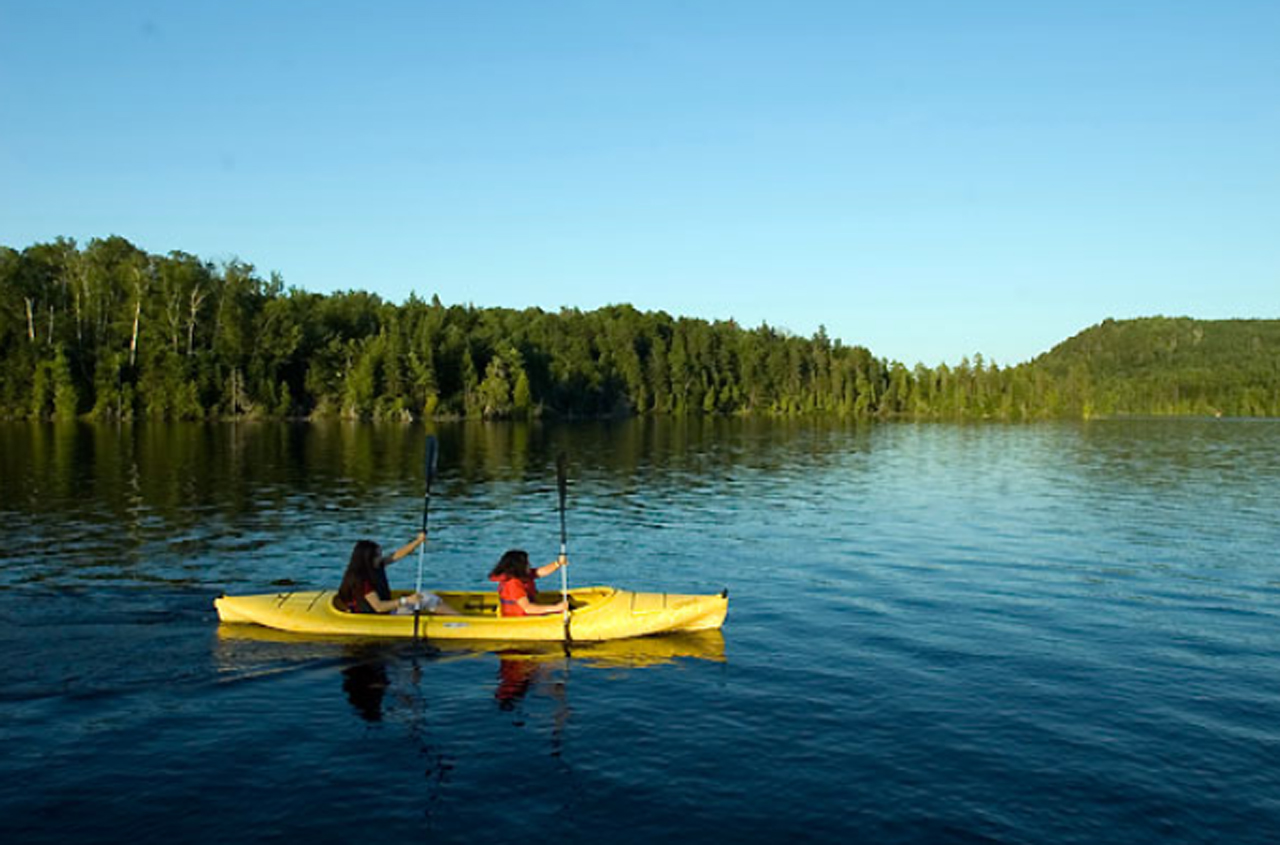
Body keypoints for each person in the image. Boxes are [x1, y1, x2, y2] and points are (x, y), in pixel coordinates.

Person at [336, 532, 458, 615]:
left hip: (385, 611)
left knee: (425, 597)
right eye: (378, 555)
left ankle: (455, 616)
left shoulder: (375, 566)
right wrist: (406, 600)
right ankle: (463, 621)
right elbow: (379, 607)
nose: (381, 557)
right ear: (368, 558)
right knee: (427, 599)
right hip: (379, 616)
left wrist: (418, 541)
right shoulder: (362, 580)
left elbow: (397, 555)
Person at [488, 549, 569, 617]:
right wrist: (556, 608)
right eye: (527, 564)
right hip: (518, 619)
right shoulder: (514, 584)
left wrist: (558, 563)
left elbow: (541, 571)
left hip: (527, 615)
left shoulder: (523, 575)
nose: (529, 565)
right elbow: (528, 608)